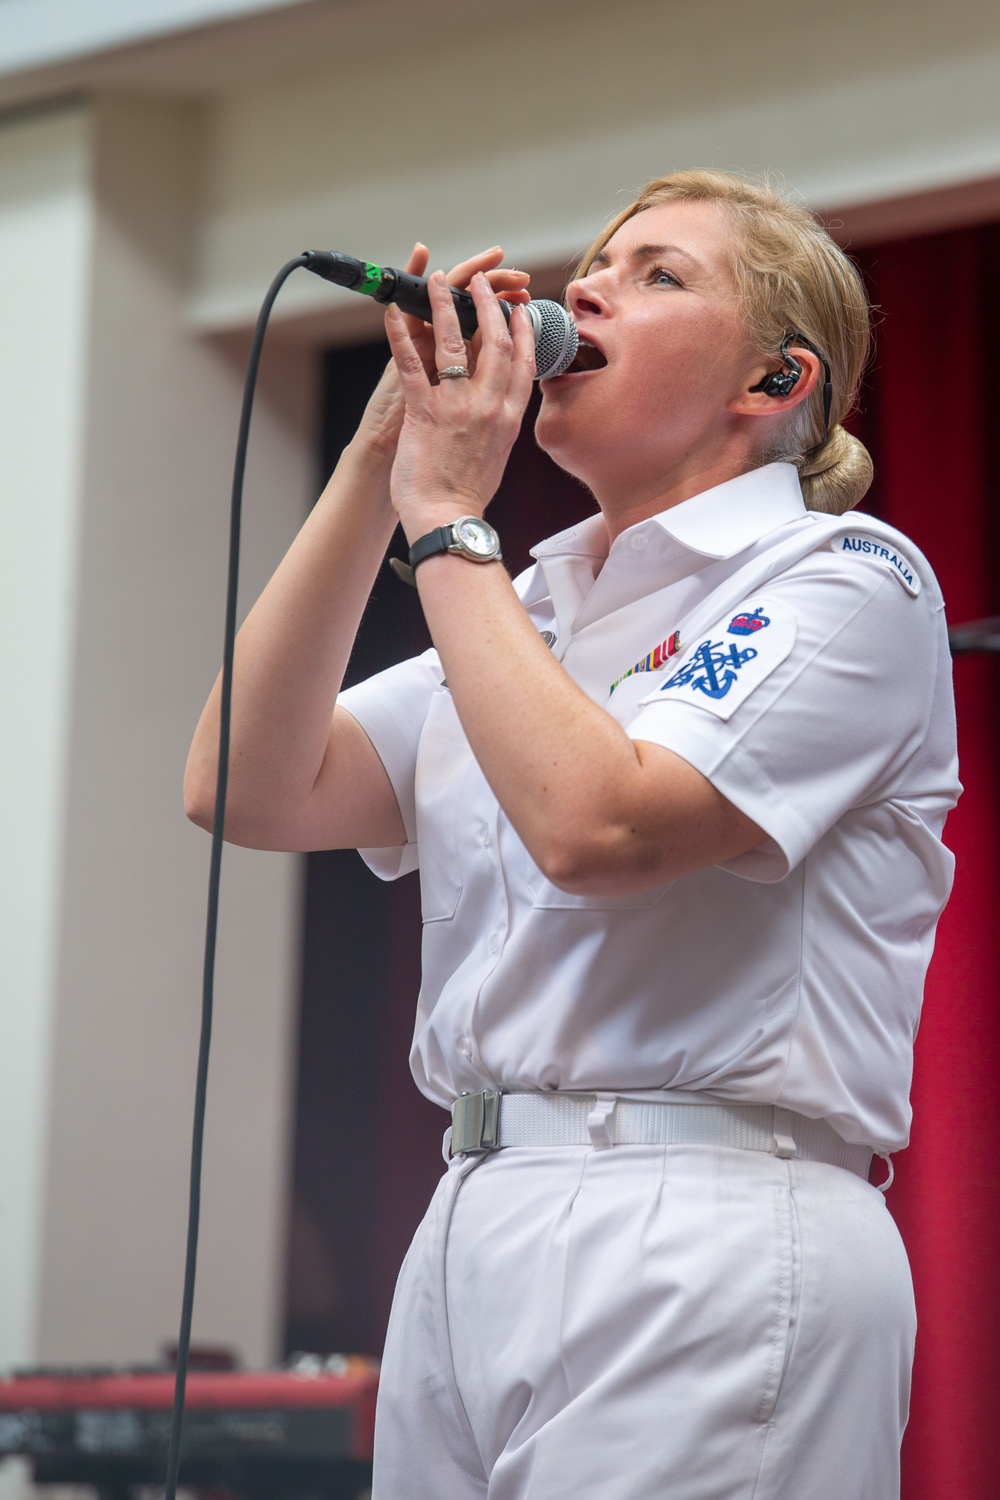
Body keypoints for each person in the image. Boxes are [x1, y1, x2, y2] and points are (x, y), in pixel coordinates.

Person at [185, 170, 960, 1499]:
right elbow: (248, 783)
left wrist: (447, 524)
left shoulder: (845, 580)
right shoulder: (530, 609)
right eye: (596, 260)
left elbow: (601, 826)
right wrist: (384, 462)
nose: (585, 287)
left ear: (775, 383)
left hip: (709, 1222)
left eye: (660, 273)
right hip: (477, 1212)